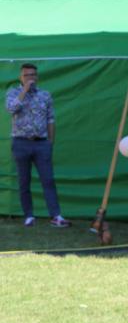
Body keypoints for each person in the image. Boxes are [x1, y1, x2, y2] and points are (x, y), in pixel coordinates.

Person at [5, 63, 70, 227]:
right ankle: (29, 216)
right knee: (24, 181)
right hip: (20, 143)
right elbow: (11, 109)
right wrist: (24, 90)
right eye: (27, 75)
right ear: (20, 77)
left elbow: (50, 119)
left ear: (37, 76)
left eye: (33, 75)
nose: (30, 78)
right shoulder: (13, 92)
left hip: (41, 144)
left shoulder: (45, 95)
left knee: (48, 180)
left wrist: (50, 142)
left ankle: (56, 216)